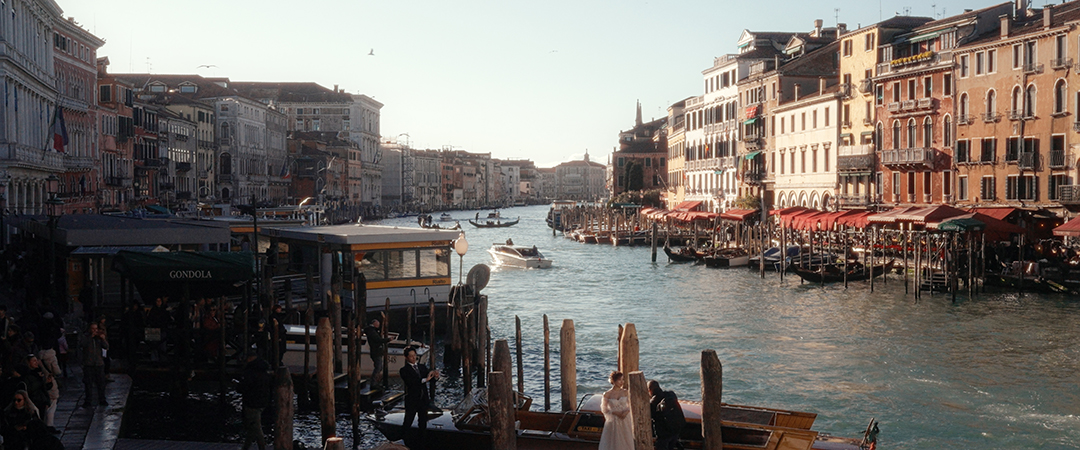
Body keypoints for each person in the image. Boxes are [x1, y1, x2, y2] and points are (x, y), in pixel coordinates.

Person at [399, 346, 438, 449]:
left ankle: (422, 443)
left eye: (414, 355)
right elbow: (411, 382)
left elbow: (430, 379)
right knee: (408, 422)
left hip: (423, 399)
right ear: (406, 357)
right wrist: (425, 380)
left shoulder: (422, 367)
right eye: (411, 356)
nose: (413, 358)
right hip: (412, 399)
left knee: (423, 422)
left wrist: (435, 376)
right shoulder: (404, 370)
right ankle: (404, 442)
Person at [236, 351, 271, 450]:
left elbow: (245, 386)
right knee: (253, 426)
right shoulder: (263, 369)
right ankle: (246, 447)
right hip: (263, 400)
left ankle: (262, 447)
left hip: (252, 402)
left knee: (256, 427)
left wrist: (239, 386)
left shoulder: (250, 371)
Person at [598, 370, 633, 450]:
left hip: (625, 418)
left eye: (623, 380)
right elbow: (604, 408)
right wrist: (614, 412)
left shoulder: (625, 392)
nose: (622, 382)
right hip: (614, 419)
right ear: (613, 381)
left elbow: (630, 405)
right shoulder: (607, 394)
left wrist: (626, 411)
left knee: (626, 439)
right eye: (619, 380)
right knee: (613, 441)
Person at [649, 380, 686, 450]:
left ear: (650, 391)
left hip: (663, 435)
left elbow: (651, 417)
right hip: (676, 430)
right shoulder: (671, 394)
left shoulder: (652, 403)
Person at [79, 323, 108, 407]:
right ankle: (88, 400)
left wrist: (103, 339)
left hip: (99, 363)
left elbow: (106, 346)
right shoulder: (85, 337)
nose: (95, 331)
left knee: (101, 383)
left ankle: (102, 399)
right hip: (89, 363)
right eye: (93, 329)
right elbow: (82, 344)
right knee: (88, 383)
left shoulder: (99, 338)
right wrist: (90, 337)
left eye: (96, 329)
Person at [363, 318, 390, 389]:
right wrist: (388, 340)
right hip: (376, 352)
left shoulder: (372, 331)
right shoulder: (372, 332)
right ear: (374, 324)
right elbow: (378, 340)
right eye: (378, 324)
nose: (379, 325)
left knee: (378, 367)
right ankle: (374, 383)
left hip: (376, 352)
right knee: (378, 367)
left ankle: (376, 382)